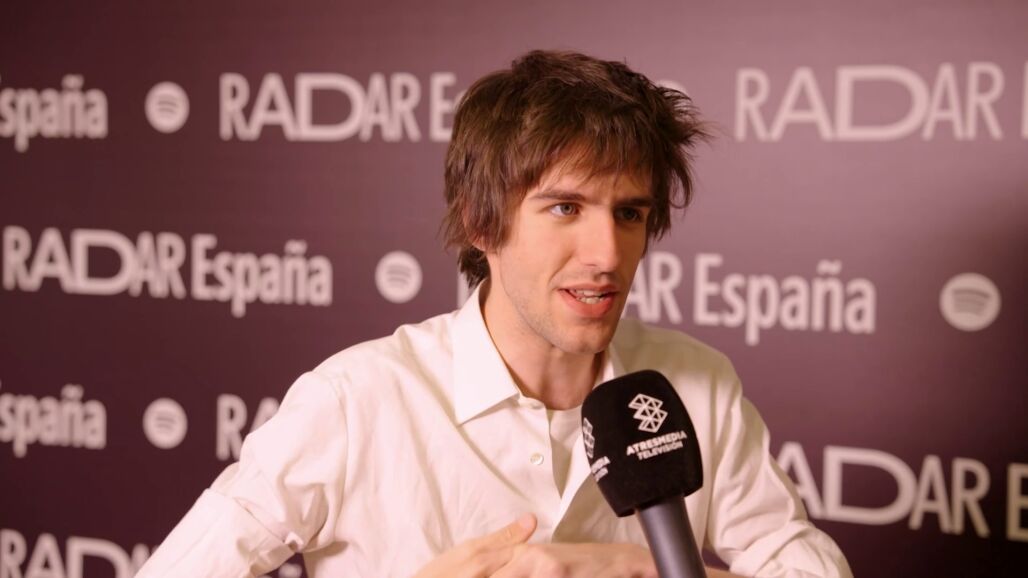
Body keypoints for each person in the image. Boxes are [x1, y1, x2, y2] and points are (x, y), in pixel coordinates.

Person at [136, 50, 852, 578]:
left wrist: (633, 569)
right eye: (565, 208)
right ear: (482, 223)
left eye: (629, 214)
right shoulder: (355, 401)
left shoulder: (695, 383)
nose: (607, 254)